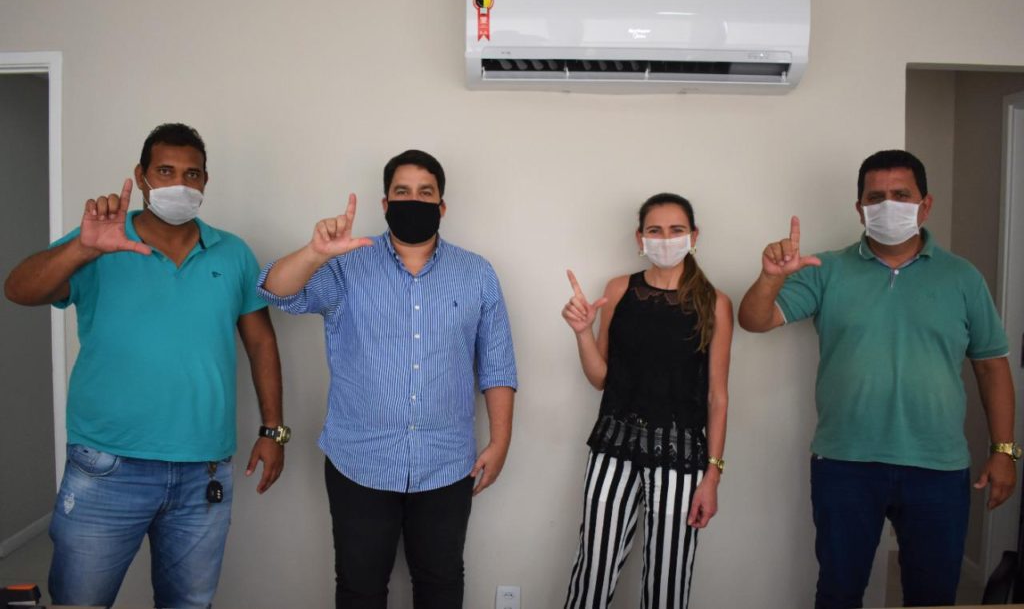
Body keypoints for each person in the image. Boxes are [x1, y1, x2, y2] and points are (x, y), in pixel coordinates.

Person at [3, 123, 286, 608]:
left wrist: (273, 430)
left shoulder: (233, 252)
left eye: (191, 174)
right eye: (166, 171)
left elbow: (261, 343)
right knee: (78, 602)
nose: (180, 183)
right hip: (107, 466)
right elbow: (18, 289)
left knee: (189, 604)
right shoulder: (100, 241)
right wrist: (82, 248)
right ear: (142, 176)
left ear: (205, 181)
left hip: (203, 470)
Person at [737, 149, 1018, 609]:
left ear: (925, 205)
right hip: (845, 463)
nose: (888, 205)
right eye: (876, 197)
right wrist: (770, 278)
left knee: (932, 597)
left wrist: (1004, 451)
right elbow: (754, 320)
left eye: (901, 195)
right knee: (839, 593)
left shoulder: (962, 277)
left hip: (937, 467)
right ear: (860, 209)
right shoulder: (825, 269)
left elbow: (992, 365)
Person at [258, 149, 517, 609]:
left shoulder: (476, 273)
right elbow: (278, 293)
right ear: (385, 203)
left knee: (441, 585)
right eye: (402, 191)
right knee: (360, 588)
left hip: (446, 463)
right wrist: (315, 253)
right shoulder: (345, 265)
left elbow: (497, 364)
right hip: (360, 460)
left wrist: (500, 442)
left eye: (425, 193)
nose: (413, 200)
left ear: (441, 206)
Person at [562, 193, 733, 609]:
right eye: (655, 230)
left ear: (694, 236)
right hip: (613, 447)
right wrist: (582, 333)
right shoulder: (619, 289)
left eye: (676, 230)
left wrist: (712, 476)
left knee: (667, 585)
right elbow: (601, 379)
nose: (666, 239)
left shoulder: (715, 303)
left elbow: (717, 396)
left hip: (681, 455)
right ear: (640, 238)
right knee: (593, 573)